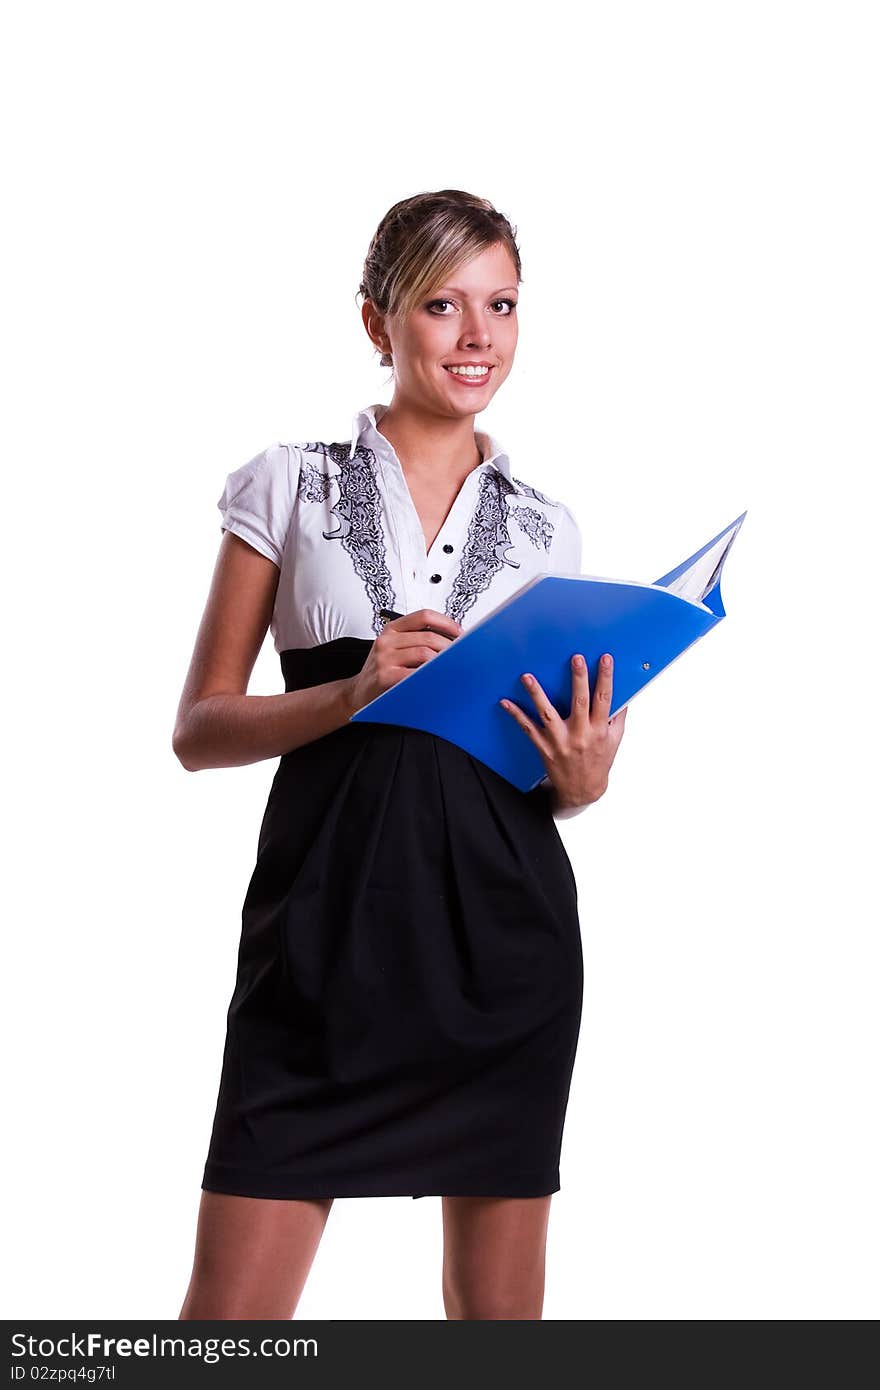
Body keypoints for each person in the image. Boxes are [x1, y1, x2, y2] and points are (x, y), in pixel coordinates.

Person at [174, 189, 627, 1320]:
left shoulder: (545, 527)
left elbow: (544, 770)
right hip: (318, 947)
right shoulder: (289, 484)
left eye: (502, 305)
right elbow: (198, 728)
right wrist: (351, 692)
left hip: (502, 955)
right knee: (219, 1337)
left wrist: (581, 778)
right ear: (378, 322)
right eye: (442, 304)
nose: (478, 336)